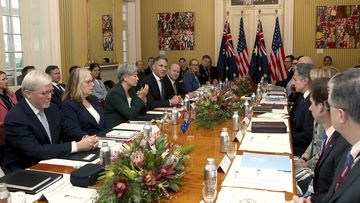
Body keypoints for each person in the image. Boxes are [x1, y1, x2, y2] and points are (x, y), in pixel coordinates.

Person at [2, 71, 98, 174]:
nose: (49, 97)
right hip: (24, 171)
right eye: (44, 93)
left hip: (51, 163)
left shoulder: (52, 108)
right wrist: (77, 146)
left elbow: (67, 130)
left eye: (51, 92)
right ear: (28, 94)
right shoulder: (15, 118)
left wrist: (85, 138)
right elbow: (36, 151)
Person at [289, 68, 360, 203]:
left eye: (330, 105)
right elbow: (331, 195)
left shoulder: (344, 148)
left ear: (340, 115)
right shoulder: (350, 151)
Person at [297, 78, 350, 202]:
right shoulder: (330, 136)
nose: (309, 108)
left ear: (321, 107)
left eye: (311, 103)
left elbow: (331, 191)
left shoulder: (342, 144)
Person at [62, 68, 105, 135]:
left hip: (104, 140)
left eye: (92, 81)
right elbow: (74, 132)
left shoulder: (93, 99)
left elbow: (103, 122)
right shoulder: (69, 105)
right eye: (88, 82)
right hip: (87, 143)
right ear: (77, 84)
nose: (93, 84)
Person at [291, 63, 314, 156]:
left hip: (300, 148)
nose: (293, 83)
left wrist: (287, 137)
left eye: (295, 80)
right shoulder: (302, 96)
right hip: (294, 140)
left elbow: (308, 136)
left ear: (305, 81)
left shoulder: (311, 102)